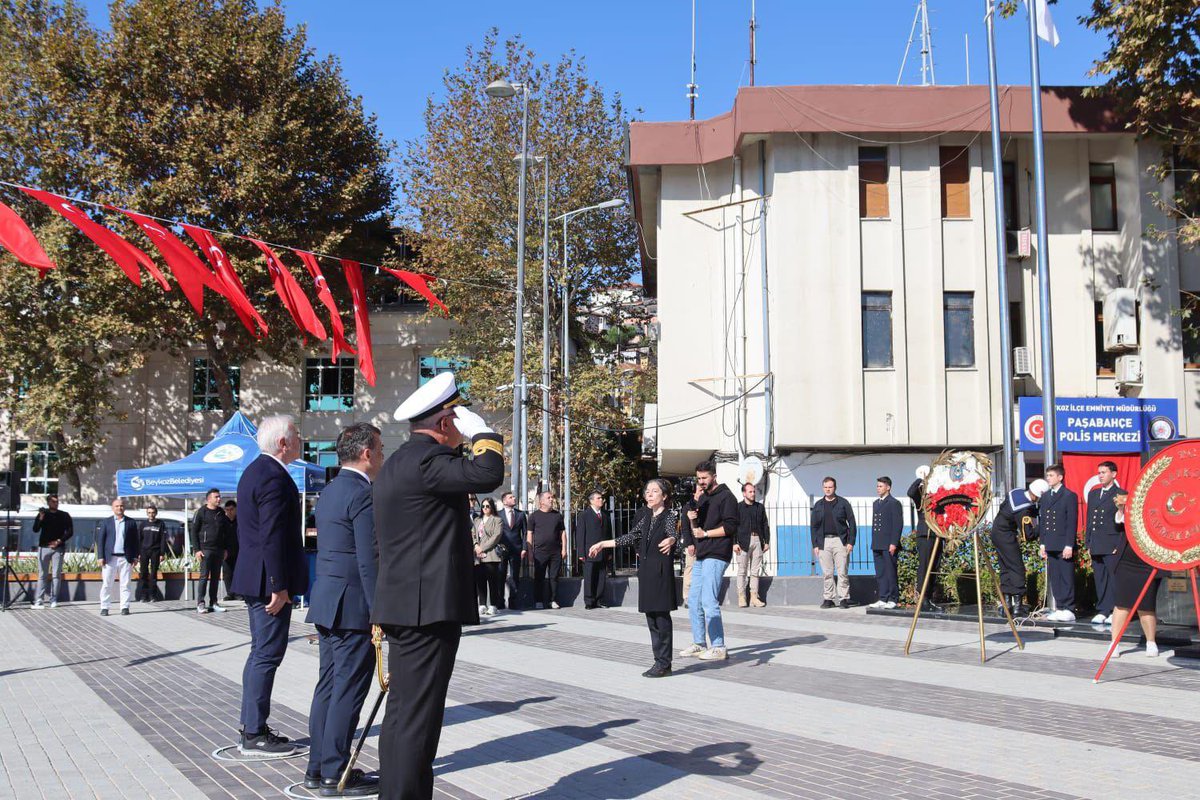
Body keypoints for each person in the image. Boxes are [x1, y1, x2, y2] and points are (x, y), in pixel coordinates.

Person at [372, 371, 504, 800]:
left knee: (404, 717)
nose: (460, 431)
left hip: (408, 605)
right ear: (445, 424)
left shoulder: (399, 462)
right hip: (425, 610)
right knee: (417, 721)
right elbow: (487, 473)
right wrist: (483, 431)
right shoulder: (428, 462)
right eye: (456, 420)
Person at [305, 423, 383, 797]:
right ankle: (335, 772)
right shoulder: (362, 493)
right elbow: (369, 560)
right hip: (353, 607)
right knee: (348, 692)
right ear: (366, 452)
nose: (382, 456)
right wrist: (378, 610)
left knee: (328, 687)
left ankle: (317, 766)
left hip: (327, 600)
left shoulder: (332, 489)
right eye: (380, 448)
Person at [231, 414, 309, 756]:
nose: (301, 439)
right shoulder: (273, 477)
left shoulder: (255, 471)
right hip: (268, 581)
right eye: (296, 435)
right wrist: (279, 585)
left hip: (256, 576)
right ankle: (254, 733)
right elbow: (272, 536)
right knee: (266, 654)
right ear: (283, 443)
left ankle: (252, 726)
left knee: (260, 652)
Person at [590, 479, 679, 676]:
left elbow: (673, 533)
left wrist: (672, 540)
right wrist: (603, 543)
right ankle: (659, 662)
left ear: (664, 496)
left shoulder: (669, 516)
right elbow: (630, 537)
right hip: (647, 573)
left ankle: (664, 664)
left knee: (661, 619)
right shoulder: (646, 517)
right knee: (651, 619)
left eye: (655, 491)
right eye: (648, 491)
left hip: (661, 574)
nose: (650, 494)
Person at [680, 461, 738, 661]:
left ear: (714, 476)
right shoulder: (702, 498)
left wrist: (706, 533)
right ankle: (699, 643)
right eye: (698, 479)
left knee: (708, 600)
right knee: (694, 600)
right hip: (702, 554)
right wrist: (691, 516)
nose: (701, 482)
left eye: (704, 478)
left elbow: (730, 527)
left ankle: (719, 646)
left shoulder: (727, 497)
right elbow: (697, 528)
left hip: (718, 553)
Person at [1109, 493, 1162, 657]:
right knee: (1122, 603)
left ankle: (1151, 642)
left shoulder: (1157, 506)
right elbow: (1119, 525)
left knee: (1146, 604)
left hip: (1148, 560)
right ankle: (1114, 643)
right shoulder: (1133, 505)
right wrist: (1121, 508)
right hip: (1127, 560)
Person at [990, 480, 1048, 617]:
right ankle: (1017, 606)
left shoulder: (1016, 492)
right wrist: (1042, 524)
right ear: (1036, 496)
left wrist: (1033, 510)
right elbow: (1028, 535)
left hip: (996, 531)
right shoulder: (1022, 510)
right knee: (1017, 568)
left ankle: (1006, 605)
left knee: (1005, 567)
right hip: (1007, 536)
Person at [1085, 461, 1127, 625]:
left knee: (1113, 578)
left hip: (1112, 543)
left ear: (1113, 474)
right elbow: (1090, 519)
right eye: (1099, 472)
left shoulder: (1121, 493)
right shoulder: (1094, 494)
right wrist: (1088, 542)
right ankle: (1103, 609)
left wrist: (1119, 545)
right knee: (1100, 578)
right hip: (1097, 542)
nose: (1101, 475)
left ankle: (1116, 610)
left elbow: (1123, 523)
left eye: (1104, 472)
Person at [1037, 464, 1079, 622]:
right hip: (1051, 542)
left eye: (1051, 475)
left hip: (1063, 542)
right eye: (1047, 475)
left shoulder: (1069, 495)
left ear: (1060, 477)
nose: (1048, 478)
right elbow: (1043, 522)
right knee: (1055, 576)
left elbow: (1071, 522)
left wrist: (1069, 544)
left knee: (1066, 575)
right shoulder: (1046, 496)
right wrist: (1043, 543)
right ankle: (1060, 606)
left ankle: (1069, 607)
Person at [811, 477, 856, 609]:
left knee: (842, 571)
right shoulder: (818, 505)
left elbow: (852, 523)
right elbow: (813, 527)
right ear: (822, 488)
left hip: (840, 541)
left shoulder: (843, 503)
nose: (828, 489)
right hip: (823, 542)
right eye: (825, 487)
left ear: (835, 488)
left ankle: (843, 599)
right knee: (827, 573)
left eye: (830, 487)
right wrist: (815, 544)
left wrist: (850, 542)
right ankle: (828, 599)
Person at [191, 487, 232, 614]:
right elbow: (193, 531)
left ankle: (213, 602)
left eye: (219, 497)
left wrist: (225, 549)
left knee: (215, 578)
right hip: (205, 550)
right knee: (204, 577)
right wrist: (197, 549)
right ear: (209, 499)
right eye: (216, 497)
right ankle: (200, 603)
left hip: (219, 550)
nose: (219, 499)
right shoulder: (201, 512)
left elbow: (227, 532)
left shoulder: (221, 512)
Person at [96, 498, 140, 617]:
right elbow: (100, 540)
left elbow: (136, 541)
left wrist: (135, 556)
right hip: (109, 558)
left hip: (126, 558)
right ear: (113, 508)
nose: (119, 508)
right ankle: (105, 607)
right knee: (107, 583)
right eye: (117, 506)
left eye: (121, 506)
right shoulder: (106, 522)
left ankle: (125, 607)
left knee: (125, 584)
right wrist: (100, 556)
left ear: (124, 507)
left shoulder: (131, 522)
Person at [908, 466, 941, 611]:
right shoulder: (919, 494)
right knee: (925, 566)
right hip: (925, 534)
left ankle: (930, 596)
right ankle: (923, 597)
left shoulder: (937, 493)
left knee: (934, 566)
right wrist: (921, 478)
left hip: (938, 534)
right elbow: (910, 492)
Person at [32, 494, 73, 609]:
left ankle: (53, 600)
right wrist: (40, 517)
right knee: (42, 575)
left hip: (58, 548)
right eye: (53, 501)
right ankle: (39, 601)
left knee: (56, 575)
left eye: (57, 501)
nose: (56, 503)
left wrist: (59, 541)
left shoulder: (64, 515)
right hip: (44, 547)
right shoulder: (43, 514)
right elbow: (35, 529)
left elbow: (70, 531)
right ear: (49, 502)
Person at [527, 491, 566, 610]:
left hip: (555, 552)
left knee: (554, 577)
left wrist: (564, 549)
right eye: (548, 498)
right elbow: (529, 534)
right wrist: (530, 552)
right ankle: (538, 600)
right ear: (542, 501)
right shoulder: (534, 516)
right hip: (540, 552)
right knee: (539, 577)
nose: (551, 499)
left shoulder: (557, 515)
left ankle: (552, 600)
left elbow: (562, 533)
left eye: (552, 497)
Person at [868, 477, 903, 609]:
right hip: (877, 543)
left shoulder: (894, 503)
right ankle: (883, 597)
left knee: (890, 572)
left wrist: (894, 543)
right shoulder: (876, 503)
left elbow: (897, 524)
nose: (878, 488)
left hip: (888, 543)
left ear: (888, 487)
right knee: (880, 572)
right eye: (877, 486)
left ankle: (893, 598)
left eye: (881, 486)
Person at [734, 483, 770, 608]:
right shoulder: (738, 507)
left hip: (757, 540)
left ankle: (754, 597)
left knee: (755, 571)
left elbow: (765, 524)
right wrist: (734, 543)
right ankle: (742, 597)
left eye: (753, 491)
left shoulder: (759, 507)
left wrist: (766, 541)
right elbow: (733, 526)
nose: (753, 494)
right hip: (743, 542)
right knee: (742, 571)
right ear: (744, 493)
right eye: (750, 492)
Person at [575, 490, 612, 609]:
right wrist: (581, 552)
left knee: (601, 576)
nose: (601, 500)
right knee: (589, 577)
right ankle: (589, 601)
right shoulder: (584, 515)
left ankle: (599, 599)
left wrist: (609, 551)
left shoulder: (605, 515)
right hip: (589, 551)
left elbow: (609, 534)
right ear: (591, 501)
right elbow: (580, 535)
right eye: (599, 498)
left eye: (602, 498)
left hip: (603, 552)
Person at [473, 498, 504, 616]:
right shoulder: (477, 520)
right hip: (478, 555)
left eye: (488, 506)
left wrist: (483, 548)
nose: (485, 508)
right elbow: (473, 534)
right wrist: (476, 546)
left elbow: (496, 537)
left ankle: (493, 605)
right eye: (483, 506)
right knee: (480, 581)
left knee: (492, 581)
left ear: (492, 507)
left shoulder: (497, 520)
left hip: (490, 554)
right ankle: (482, 604)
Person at [497, 491, 526, 609]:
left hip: (517, 549)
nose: (514, 498)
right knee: (500, 575)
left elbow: (525, 533)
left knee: (514, 576)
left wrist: (524, 548)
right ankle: (500, 601)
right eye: (511, 497)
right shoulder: (498, 514)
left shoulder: (520, 514)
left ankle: (513, 601)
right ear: (504, 501)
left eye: (514, 497)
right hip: (502, 549)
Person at [680, 482, 704, 608]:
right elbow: (684, 528)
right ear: (694, 492)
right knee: (690, 571)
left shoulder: (707, 504)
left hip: (704, 544)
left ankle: (700, 597)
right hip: (692, 544)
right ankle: (687, 597)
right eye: (700, 490)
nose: (702, 492)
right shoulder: (688, 507)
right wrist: (689, 544)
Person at [136, 505, 167, 603]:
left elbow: (163, 539)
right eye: (149, 512)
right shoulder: (143, 524)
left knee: (153, 574)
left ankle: (153, 596)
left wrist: (162, 553)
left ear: (156, 513)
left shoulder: (160, 524)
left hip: (156, 551)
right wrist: (138, 553)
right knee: (143, 574)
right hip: (144, 551)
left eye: (153, 512)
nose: (151, 514)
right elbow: (139, 539)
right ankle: (143, 596)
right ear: (147, 513)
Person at [222, 499, 240, 602]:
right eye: (227, 510)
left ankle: (238, 593)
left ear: (236, 509)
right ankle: (230, 593)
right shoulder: (223, 521)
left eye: (232, 509)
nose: (229, 512)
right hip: (226, 552)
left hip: (239, 550)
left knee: (238, 572)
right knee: (227, 573)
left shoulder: (240, 520)